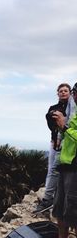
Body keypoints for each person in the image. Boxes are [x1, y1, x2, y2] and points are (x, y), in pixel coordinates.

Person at [48, 92, 77, 238]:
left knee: (74, 209)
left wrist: (65, 126)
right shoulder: (72, 112)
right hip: (66, 164)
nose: (74, 96)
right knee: (60, 207)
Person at [39, 83, 72, 214]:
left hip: (68, 143)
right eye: (61, 91)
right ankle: (49, 197)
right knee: (52, 169)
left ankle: (50, 198)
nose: (63, 93)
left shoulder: (72, 108)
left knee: (56, 170)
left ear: (70, 93)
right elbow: (51, 122)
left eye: (66, 91)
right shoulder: (54, 108)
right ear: (57, 93)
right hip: (55, 143)